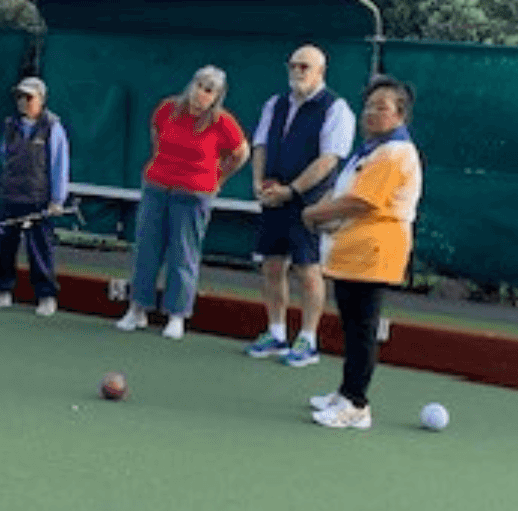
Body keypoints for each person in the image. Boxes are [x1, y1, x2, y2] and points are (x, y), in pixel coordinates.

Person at [302, 75, 423, 431]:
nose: (371, 113)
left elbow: (361, 201)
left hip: (374, 252)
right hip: (351, 252)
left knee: (362, 329)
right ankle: (345, 391)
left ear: (400, 115)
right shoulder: (371, 149)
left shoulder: (394, 152)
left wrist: (313, 214)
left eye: (382, 108)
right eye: (368, 106)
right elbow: (346, 190)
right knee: (352, 324)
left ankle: (357, 404)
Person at [114, 65, 250, 340]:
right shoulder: (167, 109)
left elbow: (240, 154)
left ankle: (176, 315)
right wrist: (163, 168)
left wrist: (217, 179)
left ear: (217, 96)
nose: (201, 93)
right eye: (199, 85)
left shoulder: (223, 122)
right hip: (157, 187)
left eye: (209, 90)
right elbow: (156, 138)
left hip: (193, 195)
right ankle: (137, 308)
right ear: (191, 85)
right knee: (146, 249)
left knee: (183, 254)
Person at [244, 46, 354, 369]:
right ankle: (276, 332)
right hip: (273, 197)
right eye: (292, 65)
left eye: (304, 66)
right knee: (272, 265)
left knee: (308, 269)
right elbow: (260, 144)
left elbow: (328, 160)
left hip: (310, 203)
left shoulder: (336, 108)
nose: (297, 71)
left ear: (321, 71)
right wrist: (258, 182)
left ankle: (308, 339)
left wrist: (291, 191)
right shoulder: (275, 103)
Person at [0, 77, 71, 318]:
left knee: (40, 249)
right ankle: (2, 291)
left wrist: (57, 200)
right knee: (6, 247)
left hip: (39, 198)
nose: (23, 102)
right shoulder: (10, 125)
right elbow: (4, 158)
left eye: (29, 97)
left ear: (41, 100)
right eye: (20, 97)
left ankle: (46, 296)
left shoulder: (53, 127)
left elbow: (59, 165)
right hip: (11, 196)